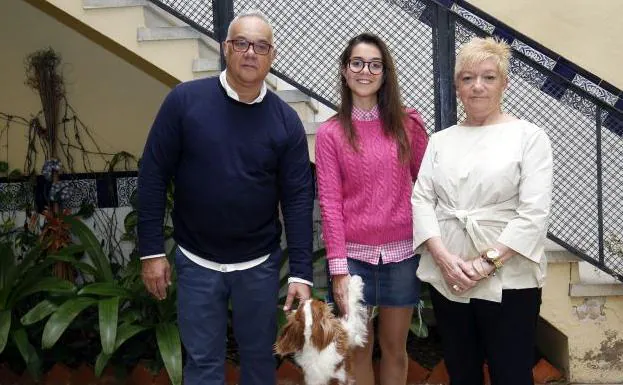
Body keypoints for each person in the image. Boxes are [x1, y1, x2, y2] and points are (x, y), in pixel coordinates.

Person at [137, 10, 314, 385]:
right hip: (197, 262)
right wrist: (152, 251)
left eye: (261, 46)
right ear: (225, 48)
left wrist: (301, 271)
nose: (250, 52)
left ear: (272, 56)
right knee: (202, 366)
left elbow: (298, 198)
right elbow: (153, 174)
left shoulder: (286, 121)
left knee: (261, 365)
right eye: (241, 43)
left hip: (259, 266)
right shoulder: (184, 102)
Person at [411, 36, 553, 385]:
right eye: (468, 78)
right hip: (450, 279)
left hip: (510, 279)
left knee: (511, 371)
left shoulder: (529, 137)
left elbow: (533, 212)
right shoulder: (440, 140)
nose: (478, 87)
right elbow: (422, 199)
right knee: (461, 370)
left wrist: (486, 262)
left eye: (488, 77)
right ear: (457, 86)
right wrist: (444, 259)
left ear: (504, 83)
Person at [315, 33, 429, 385]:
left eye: (375, 64)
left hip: (402, 254)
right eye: (358, 63)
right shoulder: (331, 133)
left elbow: (427, 187)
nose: (366, 71)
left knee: (394, 347)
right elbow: (330, 205)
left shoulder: (408, 125)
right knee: (357, 350)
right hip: (353, 260)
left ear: (385, 73)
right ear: (345, 71)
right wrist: (338, 270)